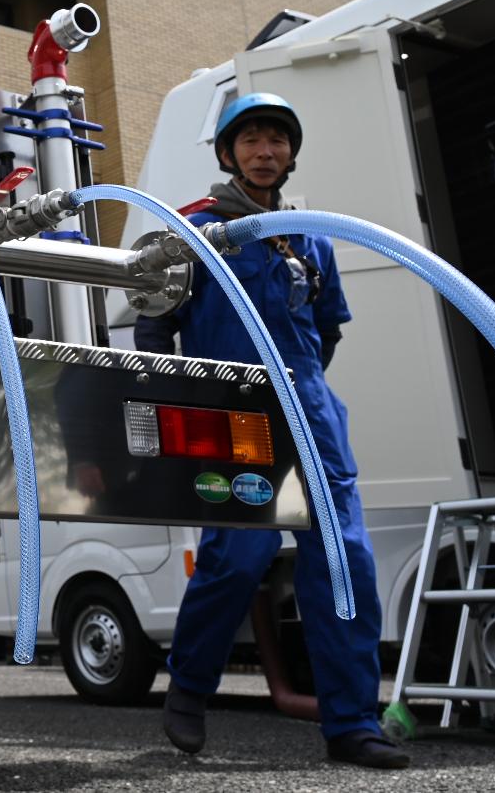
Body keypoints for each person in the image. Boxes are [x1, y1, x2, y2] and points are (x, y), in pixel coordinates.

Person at [132, 94, 406, 769]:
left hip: (310, 414)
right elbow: (151, 328)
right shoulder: (189, 228)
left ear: (290, 155)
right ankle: (190, 691)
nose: (265, 151)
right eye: (251, 140)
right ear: (227, 154)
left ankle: (352, 725)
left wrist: (300, 392)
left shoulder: (309, 234)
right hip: (233, 416)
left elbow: (328, 329)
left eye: (277, 141)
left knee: (344, 561)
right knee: (238, 558)